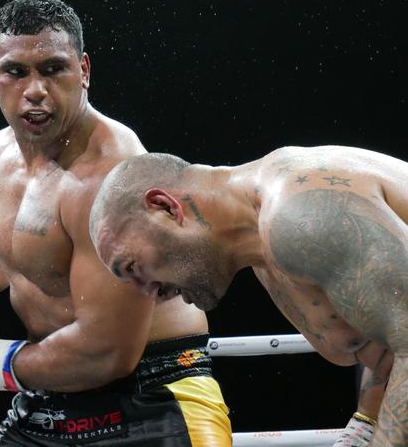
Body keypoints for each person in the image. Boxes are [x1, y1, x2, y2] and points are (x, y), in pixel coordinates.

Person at [0, 0, 232, 446]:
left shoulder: (109, 176)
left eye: (53, 69)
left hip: (150, 399)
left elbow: (108, 352)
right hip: (51, 397)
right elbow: (0, 259)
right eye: (16, 72)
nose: (35, 89)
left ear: (83, 71)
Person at [88, 146, 408, 446]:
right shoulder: (266, 257)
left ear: (165, 207)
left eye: (133, 267)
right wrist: (365, 427)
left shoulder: (297, 214)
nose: (150, 294)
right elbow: (388, 342)